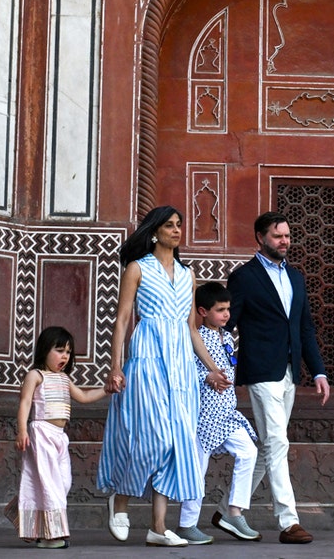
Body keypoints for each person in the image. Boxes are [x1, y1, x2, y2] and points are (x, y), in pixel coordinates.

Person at [97, 205, 232, 548]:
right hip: (147, 360)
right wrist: (115, 365)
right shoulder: (137, 268)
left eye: (179, 225)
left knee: (174, 444)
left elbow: (191, 329)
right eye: (169, 225)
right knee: (153, 438)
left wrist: (212, 368)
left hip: (181, 369)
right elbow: (124, 318)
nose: (176, 230)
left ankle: (158, 526)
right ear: (154, 231)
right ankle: (122, 500)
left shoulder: (188, 275)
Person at [225, 211, 330, 544]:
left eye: (286, 235)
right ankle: (289, 521)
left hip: (288, 373)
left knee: (269, 446)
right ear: (260, 238)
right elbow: (227, 324)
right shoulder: (244, 278)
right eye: (277, 236)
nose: (284, 241)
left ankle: (230, 511)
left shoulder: (296, 277)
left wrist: (318, 370)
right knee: (277, 442)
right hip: (260, 370)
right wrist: (216, 365)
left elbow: (305, 327)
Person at [5, 326, 108, 550]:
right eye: (59, 350)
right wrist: (22, 430)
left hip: (60, 437)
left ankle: (32, 522)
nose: (64, 356)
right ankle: (53, 535)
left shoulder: (64, 378)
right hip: (41, 432)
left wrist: (107, 389)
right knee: (50, 485)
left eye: (68, 352)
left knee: (63, 482)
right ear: (44, 350)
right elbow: (25, 403)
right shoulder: (36, 375)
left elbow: (84, 396)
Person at [175, 282, 262, 544]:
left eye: (228, 309)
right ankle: (187, 524)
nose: (226, 314)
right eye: (220, 310)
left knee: (249, 451)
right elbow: (188, 371)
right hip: (204, 416)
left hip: (226, 413)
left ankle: (233, 512)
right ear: (202, 311)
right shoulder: (195, 337)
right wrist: (207, 377)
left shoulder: (227, 336)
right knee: (197, 469)